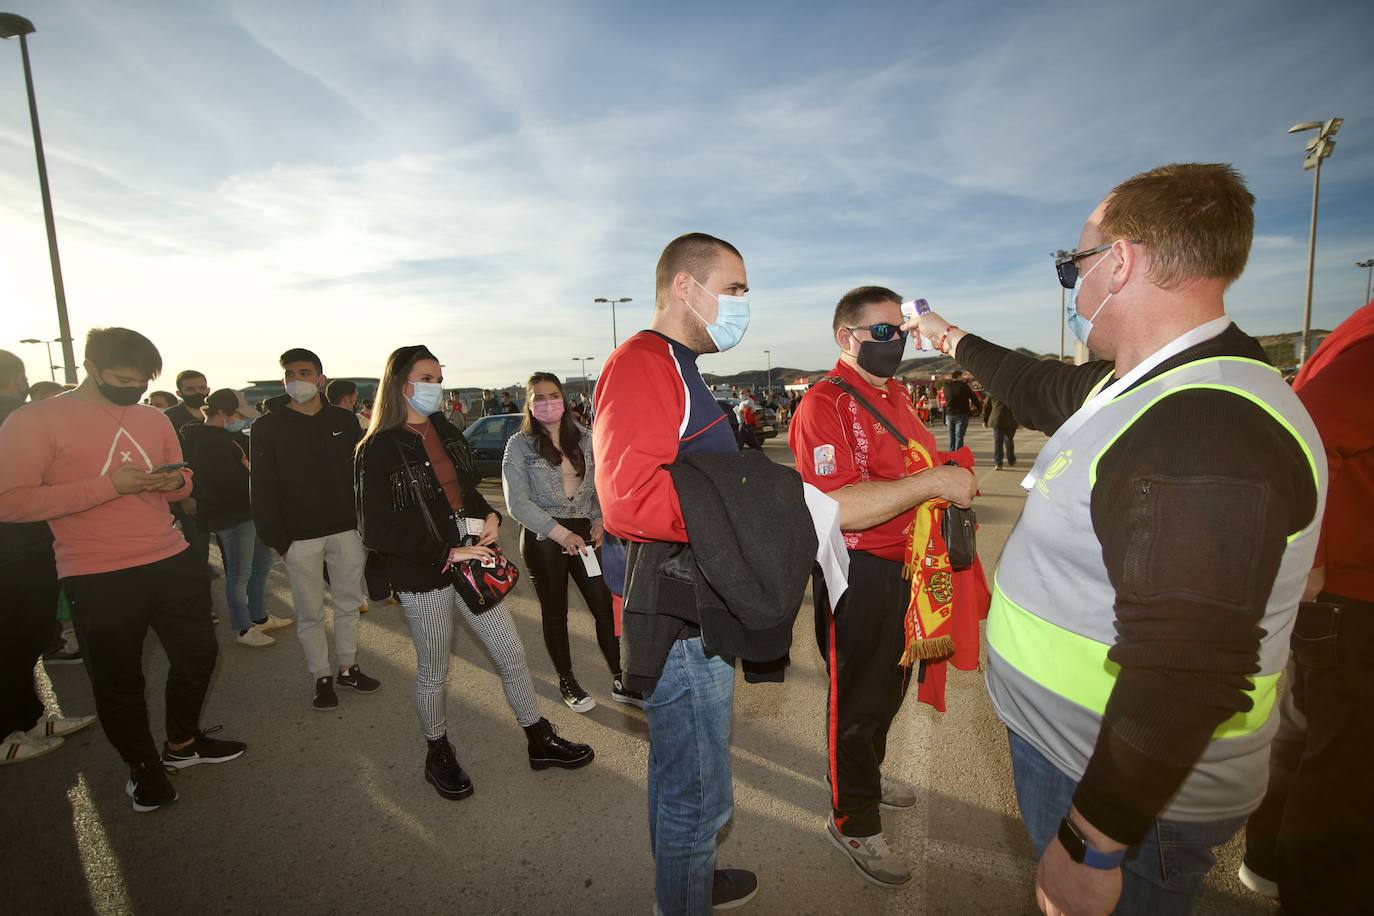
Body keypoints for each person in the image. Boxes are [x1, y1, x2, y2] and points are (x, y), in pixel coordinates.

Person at [909, 163, 1325, 914]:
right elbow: (1030, 382)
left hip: (1122, 796)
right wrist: (944, 333)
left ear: (1121, 261)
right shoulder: (1139, 384)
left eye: (1074, 265)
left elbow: (1186, 671)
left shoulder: (1206, 425)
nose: (1071, 284)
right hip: (1083, 757)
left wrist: (1091, 844)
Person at [0, 328, 246, 810]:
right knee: (119, 680)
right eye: (122, 378)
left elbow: (181, 478)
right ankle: (143, 768)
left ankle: (182, 745)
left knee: (199, 656)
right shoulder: (35, 421)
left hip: (170, 557)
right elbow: (10, 501)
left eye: (141, 381)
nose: (132, 388)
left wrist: (174, 480)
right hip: (96, 570)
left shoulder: (151, 418)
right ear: (91, 367)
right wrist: (109, 485)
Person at [788, 286, 985, 888]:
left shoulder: (895, 392)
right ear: (847, 338)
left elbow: (907, 464)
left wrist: (944, 469)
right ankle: (853, 819)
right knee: (858, 699)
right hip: (862, 573)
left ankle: (863, 780)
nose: (894, 341)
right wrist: (933, 482)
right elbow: (839, 506)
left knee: (892, 685)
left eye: (898, 329)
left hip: (913, 566)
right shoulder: (822, 405)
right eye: (881, 332)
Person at [594, 233, 762, 914]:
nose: (744, 305)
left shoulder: (676, 364)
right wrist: (749, 516)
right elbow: (630, 499)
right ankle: (684, 891)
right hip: (680, 619)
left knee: (682, 781)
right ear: (687, 288)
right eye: (737, 289)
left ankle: (688, 878)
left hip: (692, 604)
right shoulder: (644, 362)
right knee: (697, 796)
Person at [356, 346, 593, 801]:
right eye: (427, 377)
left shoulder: (443, 431)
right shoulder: (377, 448)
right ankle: (437, 752)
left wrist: (489, 517)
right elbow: (376, 529)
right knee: (433, 671)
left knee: (511, 655)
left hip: (472, 566)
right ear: (401, 383)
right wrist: (446, 552)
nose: (436, 386)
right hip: (424, 574)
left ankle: (538, 738)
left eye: (439, 377)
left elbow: (464, 490)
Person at [1239, 296, 1374, 913]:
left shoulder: (1355, 335)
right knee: (1345, 762)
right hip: (1353, 592)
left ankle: (1271, 859)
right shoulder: (1363, 343)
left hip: (1345, 590)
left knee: (1310, 732)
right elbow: (1309, 433)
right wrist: (1313, 559)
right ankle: (1314, 889)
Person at [250, 347, 381, 709]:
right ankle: (321, 676)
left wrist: (364, 526)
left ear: (320, 378)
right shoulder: (266, 426)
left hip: (346, 532)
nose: (296, 380)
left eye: (304, 372)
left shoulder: (343, 419)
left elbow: (359, 476)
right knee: (309, 611)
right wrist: (278, 540)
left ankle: (348, 667)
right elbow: (261, 486)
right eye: (289, 374)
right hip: (298, 538)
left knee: (348, 604)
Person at [502, 371, 639, 713]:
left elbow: (602, 488)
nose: (548, 403)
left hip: (585, 534)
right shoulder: (519, 445)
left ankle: (621, 676)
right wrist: (561, 534)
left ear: (563, 399)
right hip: (544, 535)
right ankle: (567, 680)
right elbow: (517, 502)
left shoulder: (587, 438)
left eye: (553, 396)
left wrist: (600, 521)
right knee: (555, 613)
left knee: (604, 607)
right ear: (529, 404)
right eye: (539, 397)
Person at [0, 350, 96, 766]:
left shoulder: (20, 419)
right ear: (16, 379)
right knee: (12, 641)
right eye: (21, 376)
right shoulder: (18, 421)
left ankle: (32, 716)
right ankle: (6, 733)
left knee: (30, 639)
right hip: (13, 550)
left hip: (33, 545)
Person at [183, 389, 292, 647]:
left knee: (261, 564)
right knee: (239, 572)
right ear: (223, 412)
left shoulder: (223, 437)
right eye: (238, 413)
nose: (241, 419)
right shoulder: (208, 441)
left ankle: (259, 616)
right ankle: (243, 628)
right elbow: (217, 481)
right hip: (230, 515)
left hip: (247, 512)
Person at [165, 370, 215, 583]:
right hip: (191, 496)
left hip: (223, 496)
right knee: (198, 552)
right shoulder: (169, 419)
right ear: (179, 392)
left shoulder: (218, 413)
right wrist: (183, 496)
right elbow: (167, 461)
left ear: (208, 389)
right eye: (190, 389)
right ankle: (204, 608)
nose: (197, 392)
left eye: (201, 388)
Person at [941, 370, 979, 452]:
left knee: (951, 436)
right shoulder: (964, 386)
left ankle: (951, 455)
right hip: (962, 414)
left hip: (949, 414)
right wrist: (980, 408)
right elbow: (974, 398)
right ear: (959, 376)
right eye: (962, 376)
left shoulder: (946, 386)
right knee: (959, 437)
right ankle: (958, 457)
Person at [981, 395, 1019, 470]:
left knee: (998, 442)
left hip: (997, 420)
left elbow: (986, 407)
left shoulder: (992, 392)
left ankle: (998, 463)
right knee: (1009, 440)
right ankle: (1011, 460)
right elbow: (1018, 407)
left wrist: (984, 420)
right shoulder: (1011, 391)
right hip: (1011, 420)